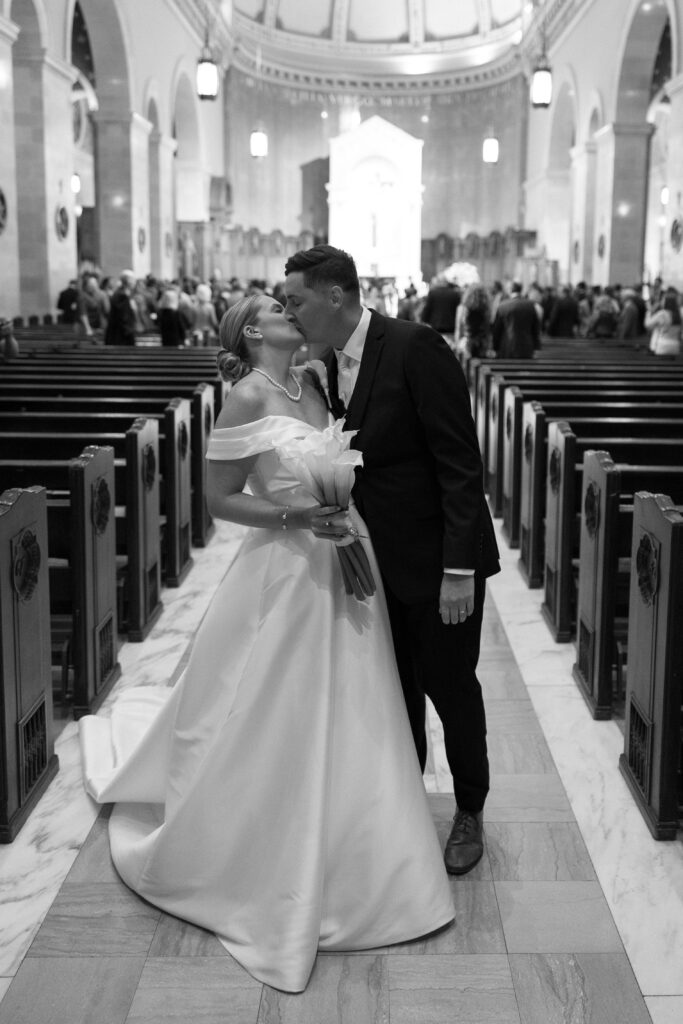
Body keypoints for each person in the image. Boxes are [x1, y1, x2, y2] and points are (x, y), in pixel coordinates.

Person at [79, 292, 454, 993]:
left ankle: (366, 846)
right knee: (279, 707)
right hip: (287, 568)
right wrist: (298, 515)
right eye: (277, 308)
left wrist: (337, 513)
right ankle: (265, 847)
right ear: (254, 331)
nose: (291, 312)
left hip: (347, 551)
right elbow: (220, 501)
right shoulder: (247, 398)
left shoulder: (310, 381)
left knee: (359, 704)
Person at [283, 244, 500, 878]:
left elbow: (459, 463)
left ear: (335, 296)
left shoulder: (414, 346)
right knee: (394, 688)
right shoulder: (323, 366)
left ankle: (469, 810)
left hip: (434, 564)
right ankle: (404, 801)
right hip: (371, 565)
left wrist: (458, 569)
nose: (288, 312)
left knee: (451, 688)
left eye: (295, 300)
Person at [491, 281, 540, 358]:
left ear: (510, 290)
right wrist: (536, 347)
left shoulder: (503, 305)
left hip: (507, 346)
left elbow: (497, 329)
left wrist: (495, 347)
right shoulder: (530, 305)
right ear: (521, 290)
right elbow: (535, 329)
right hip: (526, 347)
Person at [104, 269, 138, 345]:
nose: (135, 282)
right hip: (120, 338)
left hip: (119, 336)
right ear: (128, 281)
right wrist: (131, 337)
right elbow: (124, 319)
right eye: (133, 280)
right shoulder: (121, 296)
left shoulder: (122, 294)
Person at [645, 287, 682, 356]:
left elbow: (647, 325)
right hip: (675, 347)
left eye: (663, 299)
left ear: (667, 301)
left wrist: (649, 311)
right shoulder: (679, 314)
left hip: (662, 346)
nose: (661, 301)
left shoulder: (662, 314)